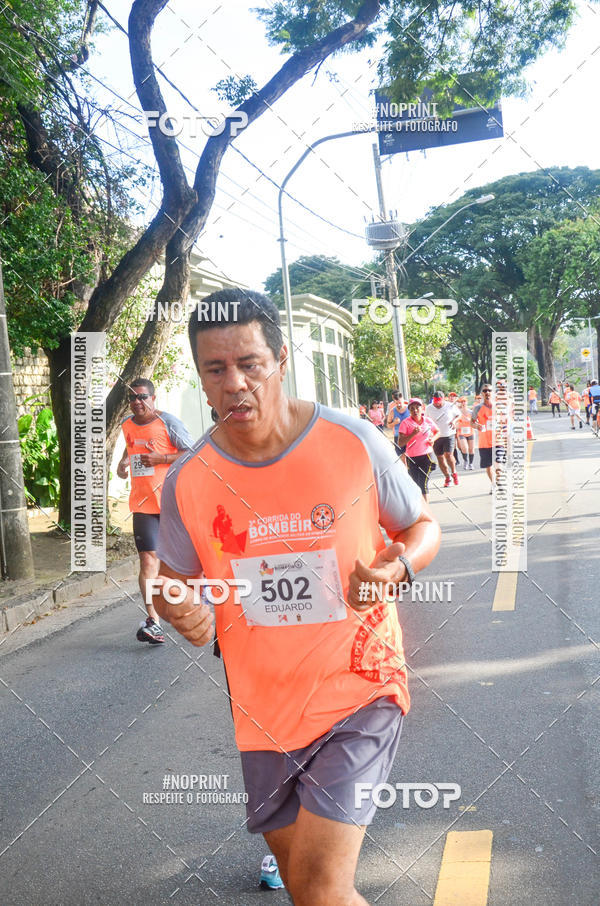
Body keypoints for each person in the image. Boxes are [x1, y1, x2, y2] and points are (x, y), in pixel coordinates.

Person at [152, 289, 441, 906]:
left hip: (360, 689)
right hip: (262, 715)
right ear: (201, 378)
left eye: (250, 363)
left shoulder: (352, 441)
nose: (235, 383)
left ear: (281, 361)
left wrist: (398, 568)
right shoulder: (188, 480)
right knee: (307, 893)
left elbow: (421, 525)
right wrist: (177, 606)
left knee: (319, 888)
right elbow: (172, 578)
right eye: (216, 368)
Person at [116, 378, 194, 644]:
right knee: (148, 560)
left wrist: (162, 458)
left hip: (173, 504)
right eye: (133, 397)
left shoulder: (168, 422)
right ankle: (154, 622)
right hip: (143, 505)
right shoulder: (126, 424)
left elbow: (192, 453)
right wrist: (123, 464)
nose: (137, 402)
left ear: (153, 397)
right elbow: (130, 447)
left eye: (142, 397)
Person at [397, 399, 439, 501]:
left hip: (426, 456)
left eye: (417, 407)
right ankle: (420, 507)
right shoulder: (405, 423)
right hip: (412, 458)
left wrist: (433, 439)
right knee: (416, 485)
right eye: (412, 408)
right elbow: (400, 443)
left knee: (423, 484)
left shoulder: (428, 421)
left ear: (422, 408)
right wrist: (413, 434)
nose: (415, 410)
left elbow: (437, 431)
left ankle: (426, 507)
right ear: (409, 410)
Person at [425, 391, 460, 488]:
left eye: (439, 402)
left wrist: (454, 421)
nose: (437, 404)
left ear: (444, 399)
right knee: (440, 457)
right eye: (436, 402)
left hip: (449, 434)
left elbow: (458, 415)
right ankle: (447, 477)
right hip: (436, 436)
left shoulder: (450, 406)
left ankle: (454, 473)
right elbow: (425, 420)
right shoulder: (429, 408)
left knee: (448, 455)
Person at [471, 385, 497, 492]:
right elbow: (472, 423)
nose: (487, 392)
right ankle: (494, 484)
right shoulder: (477, 408)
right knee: (488, 466)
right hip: (484, 442)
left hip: (498, 441)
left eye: (489, 390)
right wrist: (477, 426)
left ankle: (498, 482)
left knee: (498, 464)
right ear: (482, 393)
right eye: (485, 391)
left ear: (493, 392)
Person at [387, 390, 410, 457]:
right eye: (396, 403)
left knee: (410, 456)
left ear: (403, 400)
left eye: (400, 402)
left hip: (409, 435)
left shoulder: (409, 408)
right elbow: (388, 425)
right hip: (398, 436)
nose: (398, 405)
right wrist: (394, 423)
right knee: (401, 456)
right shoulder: (392, 411)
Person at [455, 397, 475, 469]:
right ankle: (466, 461)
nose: (463, 403)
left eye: (464, 401)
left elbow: (476, 422)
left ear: (467, 402)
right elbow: (455, 423)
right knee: (464, 448)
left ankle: (471, 463)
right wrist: (457, 425)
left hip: (470, 432)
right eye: (461, 402)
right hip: (461, 433)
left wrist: (470, 420)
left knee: (471, 449)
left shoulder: (471, 412)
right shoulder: (458, 412)